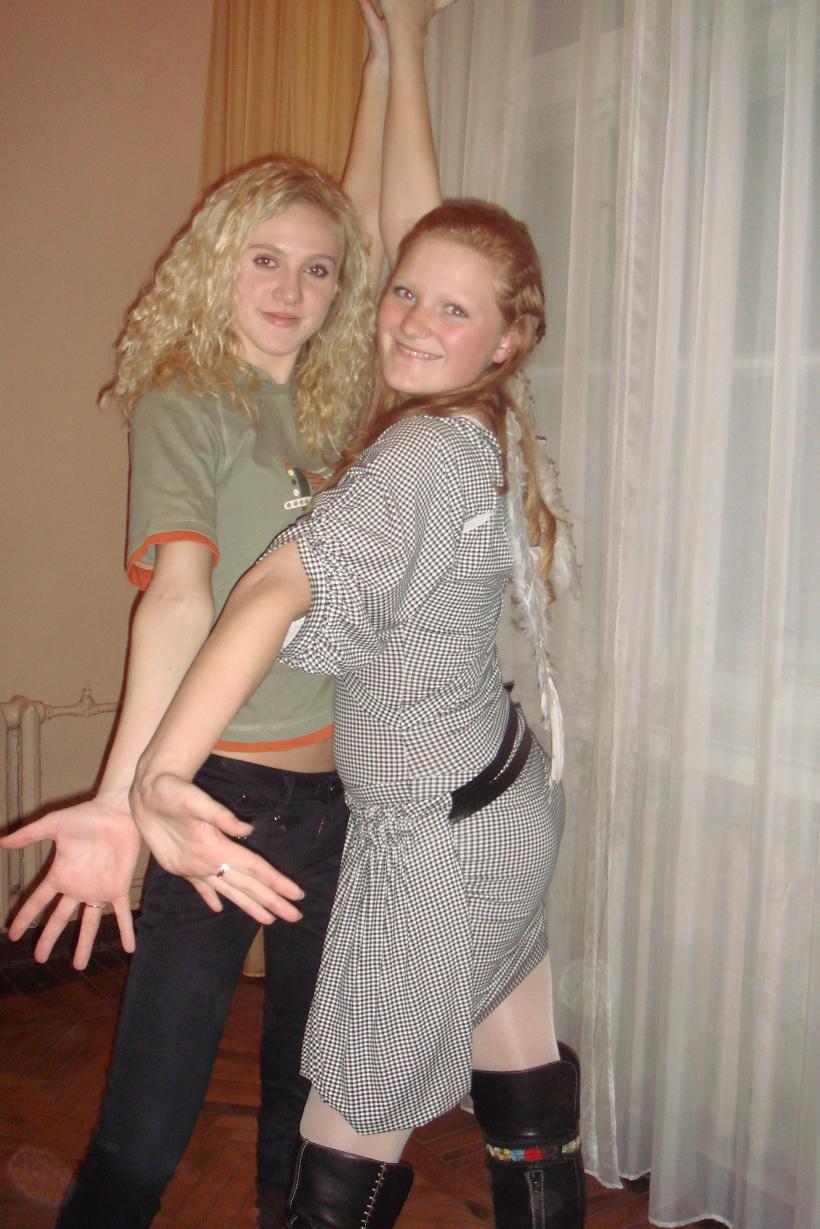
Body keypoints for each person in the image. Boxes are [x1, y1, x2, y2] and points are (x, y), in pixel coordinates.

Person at [0, 4, 462, 1225]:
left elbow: (382, 234)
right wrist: (125, 793)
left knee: (305, 1120)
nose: (293, 288)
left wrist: (391, 54)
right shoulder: (187, 398)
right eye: (265, 259)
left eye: (317, 270)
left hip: (350, 797)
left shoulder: (340, 400)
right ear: (217, 262)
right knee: (146, 1132)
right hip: (224, 798)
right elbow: (180, 595)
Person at [129, 192, 585, 1229]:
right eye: (403, 291)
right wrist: (397, 80)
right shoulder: (478, 425)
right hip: (499, 804)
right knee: (524, 1097)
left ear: (506, 339)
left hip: (439, 838)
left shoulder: (419, 453)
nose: (414, 321)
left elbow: (268, 588)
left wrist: (160, 774)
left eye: (454, 310)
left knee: (342, 1149)